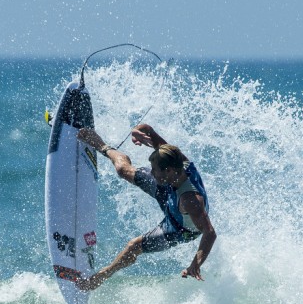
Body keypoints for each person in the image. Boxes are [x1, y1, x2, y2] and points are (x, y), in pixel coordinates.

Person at [75, 123, 216, 291]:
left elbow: (209, 232)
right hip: (168, 188)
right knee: (122, 169)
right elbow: (148, 129)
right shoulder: (176, 160)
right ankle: (102, 146)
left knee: (134, 246)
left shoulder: (191, 200)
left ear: (169, 170)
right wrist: (141, 130)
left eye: (155, 170)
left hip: (179, 228)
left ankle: (101, 276)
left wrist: (195, 264)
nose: (152, 172)